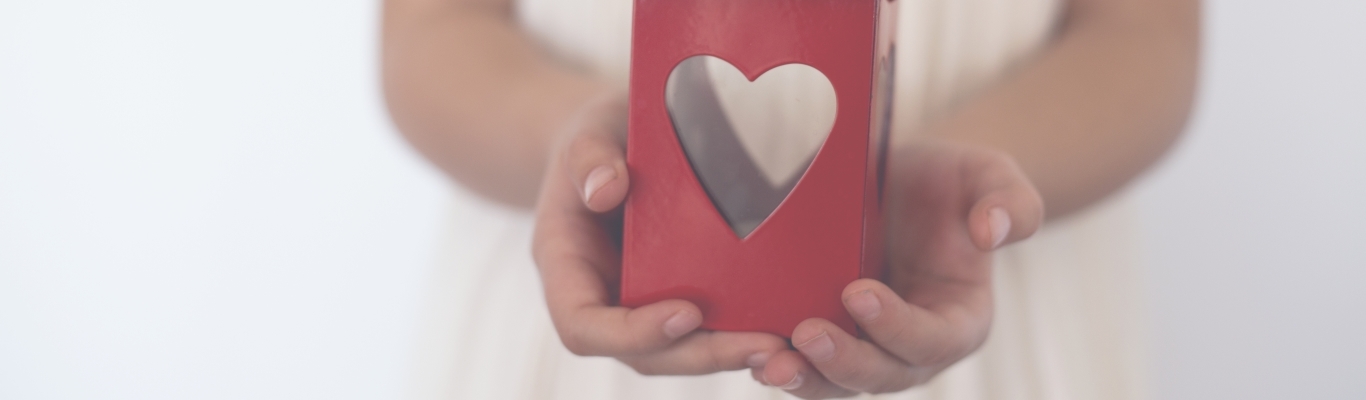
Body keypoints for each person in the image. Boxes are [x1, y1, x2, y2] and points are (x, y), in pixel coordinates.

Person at [381, 0, 1200, 398]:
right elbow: (430, 32)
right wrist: (592, 154)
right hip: (585, 277)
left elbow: (1145, 35)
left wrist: (940, 182)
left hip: (990, 298)